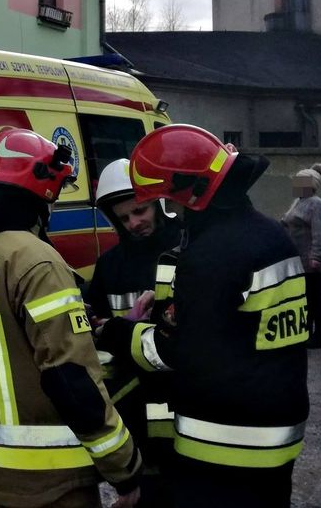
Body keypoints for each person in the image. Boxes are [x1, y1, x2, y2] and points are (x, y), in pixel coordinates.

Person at [97, 125, 309, 508]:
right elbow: (237, 328)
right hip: (277, 436)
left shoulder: (211, 254)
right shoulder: (271, 235)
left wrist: (117, 332)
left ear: (189, 192)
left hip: (223, 442)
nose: (171, 212)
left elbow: (176, 351)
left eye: (167, 202)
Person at [0, 128, 142, 508]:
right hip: (49, 480)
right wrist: (124, 468)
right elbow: (70, 378)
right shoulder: (36, 261)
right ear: (40, 190)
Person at [86, 159, 183, 506]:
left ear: (157, 203)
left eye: (139, 211)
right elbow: (92, 317)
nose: (134, 223)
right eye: (124, 218)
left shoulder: (185, 251)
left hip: (179, 398)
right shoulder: (110, 264)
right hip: (129, 401)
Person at [281, 164, 321, 348]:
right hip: (297, 259)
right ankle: (305, 332)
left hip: (311, 261)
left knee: (314, 297)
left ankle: (318, 336)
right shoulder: (298, 202)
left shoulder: (317, 204)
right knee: (302, 297)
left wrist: (316, 256)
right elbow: (287, 221)